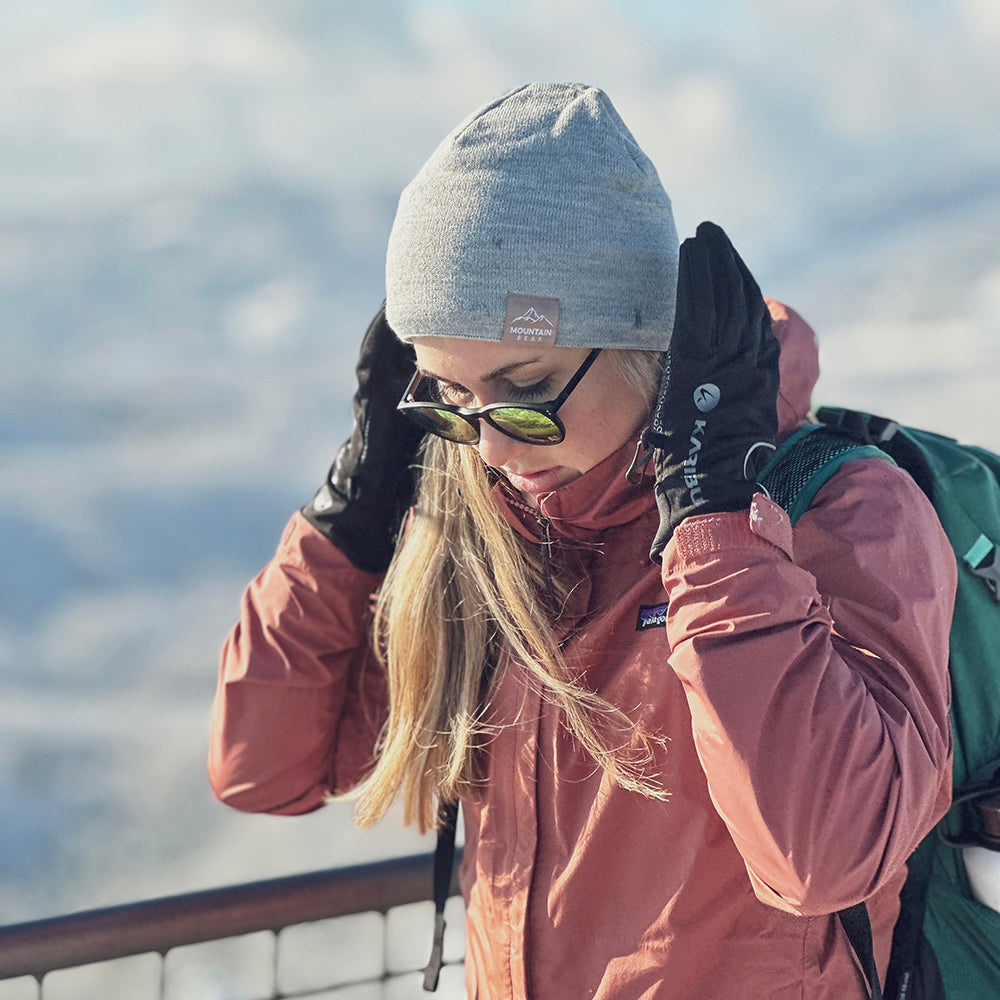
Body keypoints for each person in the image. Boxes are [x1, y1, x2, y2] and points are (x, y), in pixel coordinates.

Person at [209, 83, 956, 999]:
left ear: (642, 341)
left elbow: (825, 859)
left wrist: (713, 520)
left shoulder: (840, 514)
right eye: (451, 397)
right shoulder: (494, 535)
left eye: (525, 389)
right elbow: (262, 767)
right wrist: (350, 513)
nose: (490, 444)